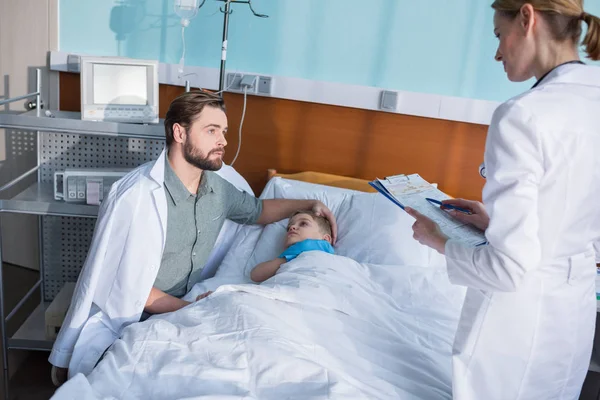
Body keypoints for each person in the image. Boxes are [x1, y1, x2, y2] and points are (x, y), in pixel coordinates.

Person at [49, 91, 338, 385]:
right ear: (180, 132)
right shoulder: (136, 198)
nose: (224, 141)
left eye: (224, 131)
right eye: (212, 130)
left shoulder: (218, 190)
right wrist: (193, 309)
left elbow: (259, 210)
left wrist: (308, 204)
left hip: (184, 311)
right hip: (131, 318)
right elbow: (129, 290)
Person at [405, 1, 600, 399]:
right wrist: (497, 223)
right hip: (572, 314)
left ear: (527, 18)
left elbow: (508, 270)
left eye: (498, 35)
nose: (497, 52)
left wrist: (437, 239)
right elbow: (570, 208)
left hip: (519, 328)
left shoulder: (522, 116)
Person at [250, 210, 335, 282]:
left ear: (326, 239)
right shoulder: (287, 256)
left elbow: (255, 275)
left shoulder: (324, 249)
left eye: (303, 224)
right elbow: (255, 275)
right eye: (288, 228)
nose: (292, 227)